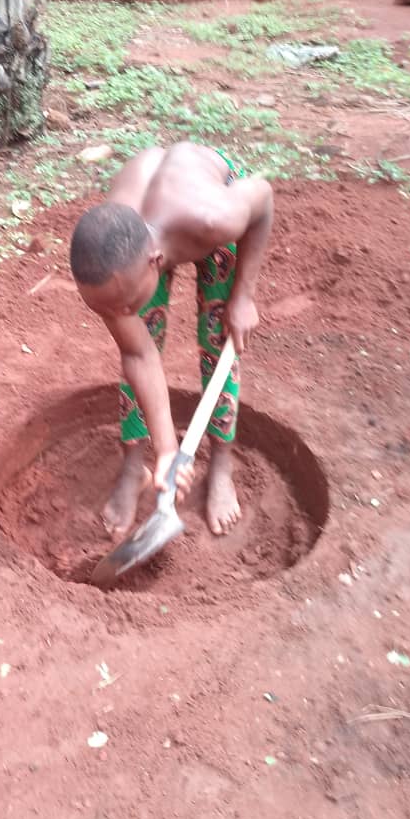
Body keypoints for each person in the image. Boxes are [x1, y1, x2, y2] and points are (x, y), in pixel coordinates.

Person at [69, 142, 274, 538]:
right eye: (107, 310)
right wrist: (167, 451)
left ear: (155, 264)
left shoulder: (215, 218)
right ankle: (134, 465)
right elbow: (138, 353)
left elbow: (262, 196)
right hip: (144, 225)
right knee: (140, 343)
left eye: (122, 306)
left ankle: (221, 464)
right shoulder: (105, 270)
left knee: (219, 339)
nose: (118, 316)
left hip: (203, 201)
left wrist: (244, 297)